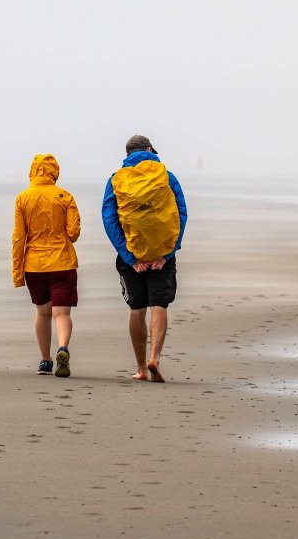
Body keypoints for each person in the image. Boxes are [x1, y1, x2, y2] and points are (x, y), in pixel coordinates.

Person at [102, 135, 188, 382]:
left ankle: (141, 368)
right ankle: (155, 359)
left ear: (127, 154)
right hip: (161, 254)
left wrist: (129, 257)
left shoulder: (116, 180)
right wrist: (167, 253)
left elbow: (109, 219)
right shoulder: (166, 176)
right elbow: (181, 214)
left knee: (136, 308)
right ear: (150, 149)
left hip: (133, 255)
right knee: (159, 304)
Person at [12, 154, 81, 377]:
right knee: (62, 314)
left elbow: (18, 238)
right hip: (62, 262)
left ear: (32, 171)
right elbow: (74, 232)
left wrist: (17, 274)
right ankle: (63, 347)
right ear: (54, 171)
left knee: (43, 313)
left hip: (35, 265)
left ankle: (45, 360)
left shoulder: (23, 198)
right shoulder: (64, 196)